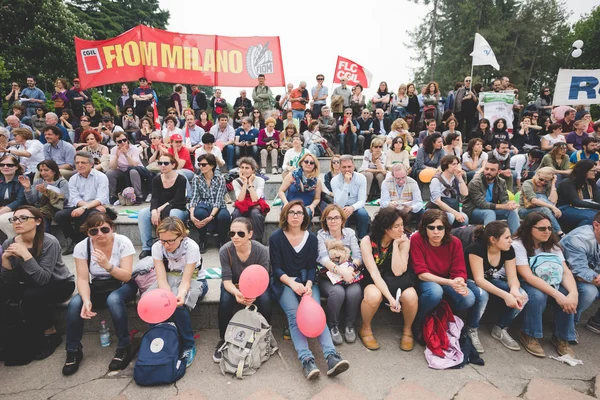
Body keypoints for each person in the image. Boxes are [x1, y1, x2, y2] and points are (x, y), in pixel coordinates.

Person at [269, 200, 349, 379]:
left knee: (316, 312)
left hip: (307, 281)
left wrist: (309, 284)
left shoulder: (311, 238)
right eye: (292, 212)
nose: (295, 216)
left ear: (305, 216)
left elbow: (312, 267)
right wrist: (292, 283)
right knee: (294, 313)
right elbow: (276, 268)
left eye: (299, 213)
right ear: (285, 215)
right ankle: (306, 360)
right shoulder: (275, 238)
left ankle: (331, 356)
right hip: (284, 282)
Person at [62, 213, 137, 375]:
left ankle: (124, 346)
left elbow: (127, 275)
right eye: (94, 231)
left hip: (123, 284)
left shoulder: (123, 242)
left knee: (114, 299)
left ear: (112, 228)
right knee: (76, 304)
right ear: (88, 233)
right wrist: (86, 299)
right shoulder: (82, 247)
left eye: (104, 229)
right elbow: (82, 279)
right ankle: (73, 350)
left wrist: (107, 265)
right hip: (98, 286)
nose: (100, 234)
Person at [0, 206, 74, 361]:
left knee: (31, 295)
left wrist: (26, 256)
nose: (17, 222)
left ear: (38, 221)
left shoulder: (49, 242)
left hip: (59, 283)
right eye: (14, 219)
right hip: (28, 283)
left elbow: (43, 279)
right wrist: (6, 261)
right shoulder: (9, 243)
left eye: (23, 218)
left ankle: (51, 334)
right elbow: (9, 281)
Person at [410, 209, 485, 348]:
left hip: (447, 280)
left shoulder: (454, 242)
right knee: (435, 292)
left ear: (446, 228)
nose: (436, 231)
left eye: (440, 227)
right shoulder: (417, 239)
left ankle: (443, 317)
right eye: (431, 228)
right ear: (424, 228)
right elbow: (421, 273)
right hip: (426, 281)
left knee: (469, 298)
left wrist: (459, 282)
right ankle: (417, 322)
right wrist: (451, 282)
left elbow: (459, 270)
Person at [513, 212, 578, 358]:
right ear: (529, 228)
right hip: (525, 281)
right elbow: (527, 276)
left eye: (549, 228)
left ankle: (562, 337)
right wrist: (557, 295)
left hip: (551, 279)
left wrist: (573, 293)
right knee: (537, 295)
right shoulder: (518, 244)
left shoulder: (552, 245)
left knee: (568, 294)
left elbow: (565, 271)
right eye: (542, 228)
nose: (547, 231)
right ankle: (529, 333)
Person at [150, 217, 207, 368]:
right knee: (154, 301)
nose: (166, 245)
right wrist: (166, 295)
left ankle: (188, 344)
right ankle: (159, 340)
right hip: (169, 279)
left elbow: (186, 281)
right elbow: (161, 278)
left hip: (194, 280)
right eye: (162, 240)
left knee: (177, 304)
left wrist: (179, 295)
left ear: (182, 236)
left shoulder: (191, 247)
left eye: (170, 241)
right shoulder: (157, 247)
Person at [358, 207, 417, 350]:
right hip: (374, 278)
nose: (401, 229)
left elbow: (398, 271)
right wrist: (391, 299)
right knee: (373, 296)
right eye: (396, 226)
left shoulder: (404, 241)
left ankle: (407, 330)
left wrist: (396, 245)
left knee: (411, 296)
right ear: (385, 228)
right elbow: (374, 273)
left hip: (396, 278)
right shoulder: (367, 241)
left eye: (402, 225)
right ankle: (365, 328)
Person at [213, 217, 272, 362]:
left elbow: (263, 278)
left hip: (256, 284)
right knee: (225, 301)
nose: (235, 237)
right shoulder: (225, 251)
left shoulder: (261, 251)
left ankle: (265, 334)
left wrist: (254, 294)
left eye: (240, 233)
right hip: (234, 284)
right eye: (232, 233)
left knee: (265, 300)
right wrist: (236, 293)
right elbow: (226, 280)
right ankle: (223, 338)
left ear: (250, 234)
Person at [465, 222, 527, 352]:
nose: (511, 240)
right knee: (483, 295)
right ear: (493, 240)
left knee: (523, 295)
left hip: (489, 279)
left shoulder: (508, 250)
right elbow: (479, 280)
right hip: (469, 280)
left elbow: (512, 277)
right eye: (507, 237)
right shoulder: (476, 248)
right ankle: (471, 329)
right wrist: (506, 295)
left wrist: (514, 290)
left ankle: (500, 328)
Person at [316, 205, 363, 345]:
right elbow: (322, 259)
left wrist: (350, 268)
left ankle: (349, 325)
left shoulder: (349, 233)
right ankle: (333, 326)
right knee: (338, 293)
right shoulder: (321, 235)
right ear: (325, 220)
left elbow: (358, 256)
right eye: (329, 218)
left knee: (354, 292)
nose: (333, 221)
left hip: (349, 272)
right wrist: (340, 271)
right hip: (329, 276)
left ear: (342, 220)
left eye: (336, 217)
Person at [55, 152, 110, 255]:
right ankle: (75, 240)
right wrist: (85, 207)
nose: (80, 165)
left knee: (91, 214)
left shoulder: (101, 176)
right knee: (60, 215)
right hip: (84, 206)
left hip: (97, 207)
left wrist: (84, 208)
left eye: (83, 162)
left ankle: (86, 243)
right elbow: (75, 198)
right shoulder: (73, 179)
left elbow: (101, 198)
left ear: (91, 164)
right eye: (77, 163)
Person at [138, 154, 188, 259]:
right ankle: (147, 248)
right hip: (160, 207)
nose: (163, 166)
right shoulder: (156, 179)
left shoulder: (181, 179)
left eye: (166, 163)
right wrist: (154, 211)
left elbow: (178, 199)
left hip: (178, 208)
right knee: (143, 213)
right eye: (160, 163)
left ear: (173, 165)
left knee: (172, 214)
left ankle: (173, 244)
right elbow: (155, 198)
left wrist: (159, 209)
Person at [560, 212, 600, 333]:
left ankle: (596, 322)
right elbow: (579, 272)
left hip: (590, 275)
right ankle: (566, 324)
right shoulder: (578, 239)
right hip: (565, 276)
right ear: (596, 225)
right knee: (589, 291)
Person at [462, 159, 520, 234]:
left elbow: (504, 199)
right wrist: (504, 206)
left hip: (491, 208)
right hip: (473, 210)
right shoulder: (475, 182)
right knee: (489, 213)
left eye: (492, 170)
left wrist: (510, 204)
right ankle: (488, 238)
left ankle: (515, 237)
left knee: (512, 211)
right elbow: (481, 204)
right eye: (486, 169)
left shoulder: (501, 182)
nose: (488, 172)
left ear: (498, 172)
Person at [189, 154, 230, 253]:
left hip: (218, 205)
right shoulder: (196, 179)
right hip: (204, 204)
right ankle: (202, 239)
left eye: (204, 165)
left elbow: (219, 199)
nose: (201, 167)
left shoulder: (220, 179)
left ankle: (222, 240)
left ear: (212, 166)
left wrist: (211, 217)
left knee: (224, 216)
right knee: (199, 214)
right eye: (199, 165)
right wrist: (191, 215)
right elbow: (194, 198)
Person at [22, 160, 69, 232]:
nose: (43, 173)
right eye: (41, 170)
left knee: (42, 215)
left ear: (54, 171)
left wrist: (47, 192)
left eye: (46, 170)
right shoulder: (38, 181)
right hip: (40, 208)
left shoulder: (62, 182)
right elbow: (31, 200)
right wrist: (27, 188)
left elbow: (64, 200)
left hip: (55, 209)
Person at [331, 155, 370, 239]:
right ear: (340, 168)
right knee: (343, 214)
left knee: (363, 214)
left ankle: (362, 240)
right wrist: (346, 183)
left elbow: (362, 200)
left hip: (356, 206)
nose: (347, 169)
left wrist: (352, 207)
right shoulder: (334, 181)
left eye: (349, 166)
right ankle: (345, 241)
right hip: (341, 207)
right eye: (344, 167)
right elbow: (340, 203)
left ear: (354, 166)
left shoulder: (361, 178)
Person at [231, 157, 268, 243]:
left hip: (255, 206)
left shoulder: (260, 180)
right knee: (236, 213)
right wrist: (244, 182)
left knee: (255, 213)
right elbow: (240, 199)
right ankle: (238, 237)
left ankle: (258, 240)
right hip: (243, 205)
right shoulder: (236, 181)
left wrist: (250, 182)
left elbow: (255, 199)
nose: (244, 170)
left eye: (247, 168)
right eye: (242, 168)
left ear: (253, 170)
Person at [106, 132, 150, 204]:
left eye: (124, 140)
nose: (123, 142)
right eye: (119, 141)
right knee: (109, 173)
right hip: (121, 170)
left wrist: (126, 154)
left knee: (132, 171)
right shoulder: (114, 150)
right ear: (116, 142)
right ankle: (112, 196)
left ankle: (138, 196)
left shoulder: (134, 148)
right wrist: (116, 156)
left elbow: (134, 164)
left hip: (135, 170)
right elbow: (113, 167)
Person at [278, 153, 322, 221]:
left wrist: (313, 205)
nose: (308, 164)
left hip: (306, 208)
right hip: (290, 205)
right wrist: (285, 203)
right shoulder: (292, 176)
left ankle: (304, 231)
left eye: (312, 163)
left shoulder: (317, 181)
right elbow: (281, 191)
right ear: (301, 163)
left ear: (314, 166)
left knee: (306, 213)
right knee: (292, 213)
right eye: (306, 161)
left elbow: (317, 198)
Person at [519, 167, 563, 235]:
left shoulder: (547, 185)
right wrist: (553, 207)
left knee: (546, 206)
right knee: (543, 204)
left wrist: (553, 183)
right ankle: (558, 232)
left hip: (543, 209)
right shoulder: (528, 183)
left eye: (546, 181)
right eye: (541, 179)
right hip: (525, 210)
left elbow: (553, 200)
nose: (543, 182)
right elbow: (533, 201)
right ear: (537, 175)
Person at [557, 159, 600, 228]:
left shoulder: (591, 182)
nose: (595, 173)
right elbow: (576, 202)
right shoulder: (567, 182)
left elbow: (597, 199)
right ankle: (578, 236)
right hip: (566, 207)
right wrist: (598, 206)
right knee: (592, 217)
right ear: (584, 171)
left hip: (586, 206)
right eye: (593, 171)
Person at [428, 155, 469, 227]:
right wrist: (455, 213)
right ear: (446, 165)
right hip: (436, 208)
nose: (456, 167)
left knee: (465, 218)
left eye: (457, 164)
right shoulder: (436, 180)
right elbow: (437, 201)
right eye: (453, 164)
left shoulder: (456, 178)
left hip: (452, 206)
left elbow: (465, 193)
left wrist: (460, 178)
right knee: (450, 217)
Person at [0, 155, 26, 240]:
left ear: (16, 167)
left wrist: (2, 211)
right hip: (3, 209)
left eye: (9, 165)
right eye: (2, 165)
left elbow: (19, 200)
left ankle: (15, 242)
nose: (5, 167)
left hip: (19, 210)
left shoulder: (22, 179)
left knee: (3, 219)